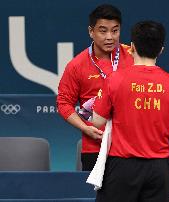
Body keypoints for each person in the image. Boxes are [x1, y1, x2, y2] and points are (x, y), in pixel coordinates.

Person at [92, 20, 169, 202]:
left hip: (121, 167)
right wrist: (159, 120)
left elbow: (97, 121)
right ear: (161, 50)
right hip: (158, 170)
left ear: (131, 47)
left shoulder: (114, 80)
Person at [56, 4, 133, 171]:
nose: (110, 37)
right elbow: (63, 103)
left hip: (131, 146)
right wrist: (85, 128)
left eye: (115, 30)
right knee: (98, 198)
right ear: (91, 31)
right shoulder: (76, 65)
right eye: (103, 30)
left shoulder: (134, 56)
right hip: (95, 148)